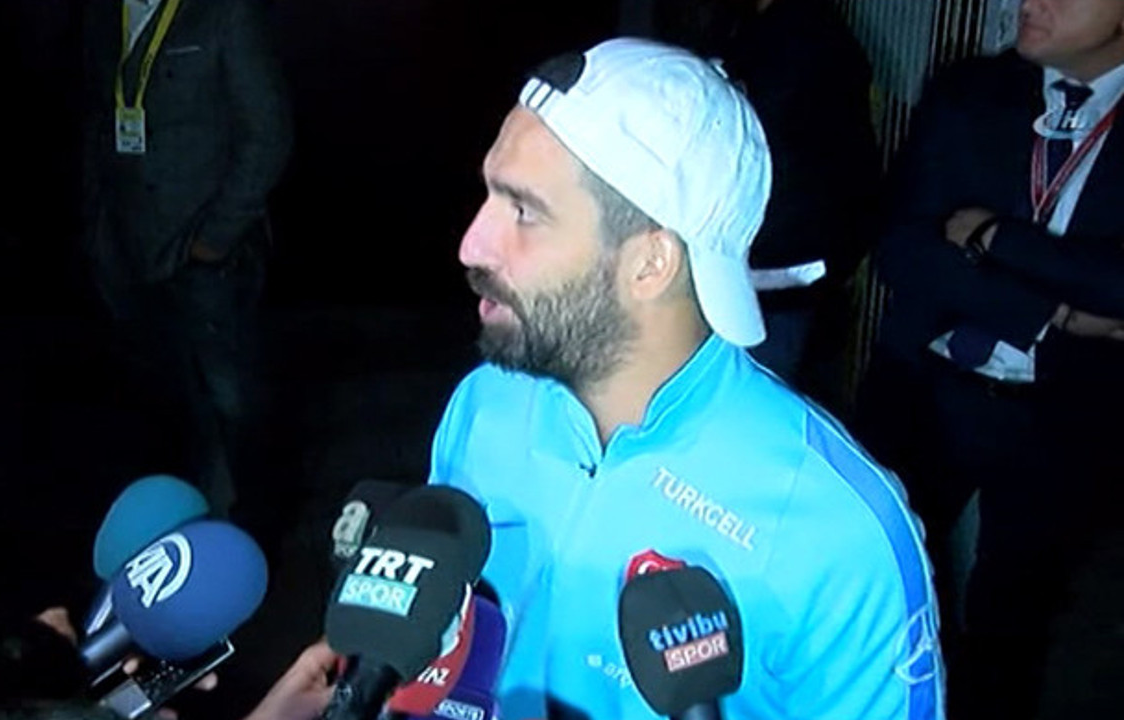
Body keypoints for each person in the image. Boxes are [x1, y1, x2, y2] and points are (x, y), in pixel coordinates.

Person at [429, 38, 942, 720]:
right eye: (490, 195)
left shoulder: (838, 531)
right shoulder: (485, 401)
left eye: (524, 211)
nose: (472, 245)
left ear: (651, 264)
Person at [856, 0, 1124, 717]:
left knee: (1013, 625)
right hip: (924, 388)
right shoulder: (972, 90)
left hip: (1063, 417)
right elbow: (904, 249)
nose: (1030, 2)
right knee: (878, 583)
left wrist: (996, 237)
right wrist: (1053, 310)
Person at [81, 0, 293, 517]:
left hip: (206, 253)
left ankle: (247, 524)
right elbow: (94, 120)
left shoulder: (224, 13)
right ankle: (175, 514)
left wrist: (216, 237)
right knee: (157, 394)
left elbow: (268, 132)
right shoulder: (101, 14)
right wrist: (97, 227)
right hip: (126, 248)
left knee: (230, 399)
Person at [623, 0, 881, 409]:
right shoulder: (744, 29)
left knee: (740, 408)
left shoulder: (806, 45)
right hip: (742, 275)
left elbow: (820, 183)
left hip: (771, 284)